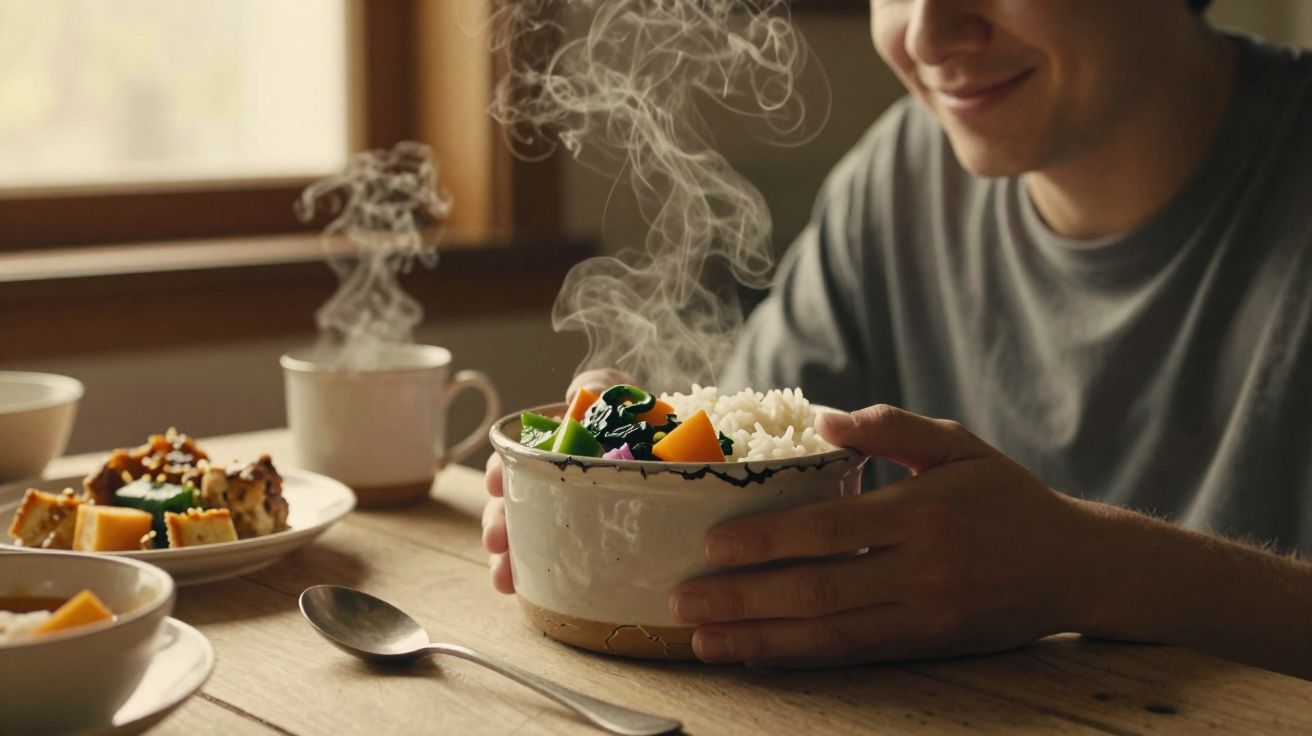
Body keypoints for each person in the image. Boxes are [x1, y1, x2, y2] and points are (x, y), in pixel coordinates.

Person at [484, 0, 1312, 678]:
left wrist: (1094, 570)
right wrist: (620, 494)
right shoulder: (896, 180)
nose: (927, 34)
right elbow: (743, 494)